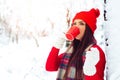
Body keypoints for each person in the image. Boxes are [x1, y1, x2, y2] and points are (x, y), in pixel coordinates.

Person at [45, 8, 106, 80]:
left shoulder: (94, 52)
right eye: (74, 24)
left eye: (81, 23)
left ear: (89, 29)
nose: (76, 26)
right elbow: (50, 67)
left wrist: (90, 69)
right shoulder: (71, 51)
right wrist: (57, 46)